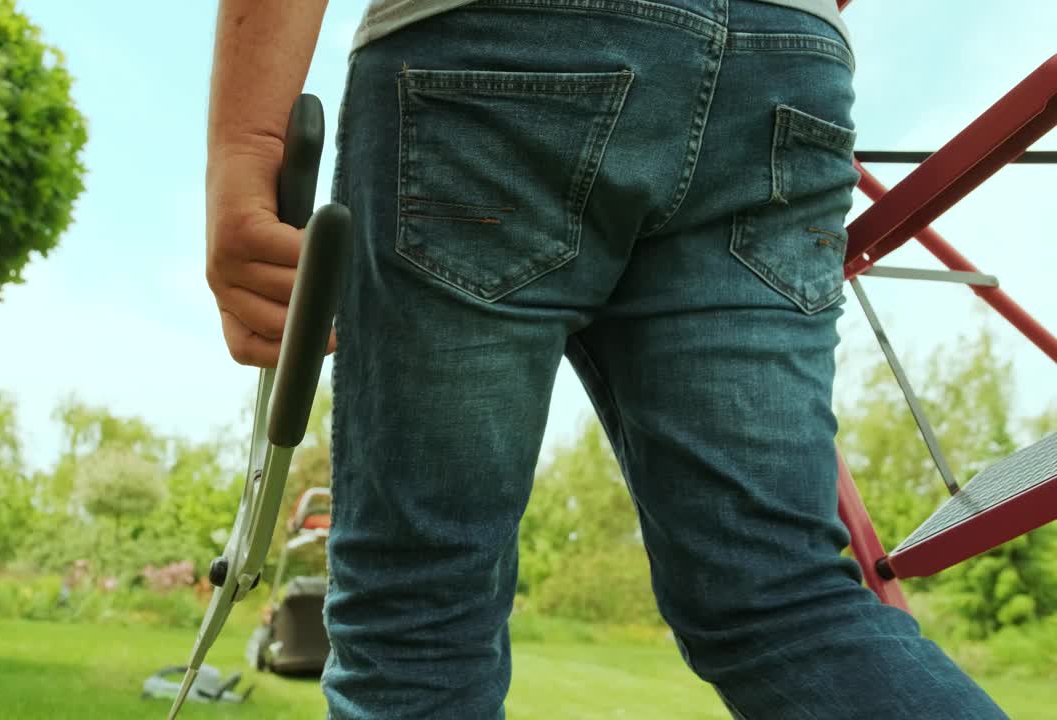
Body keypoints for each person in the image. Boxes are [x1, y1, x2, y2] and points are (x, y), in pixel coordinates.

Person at [203, 1, 1009, 718]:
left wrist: (248, 142)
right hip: (782, 59)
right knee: (782, 596)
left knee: (419, 619)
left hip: (493, 49)